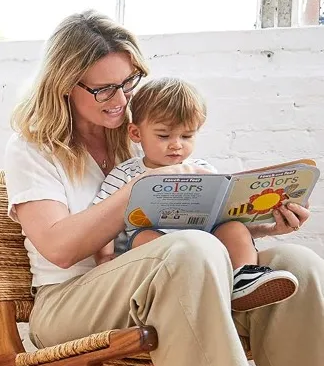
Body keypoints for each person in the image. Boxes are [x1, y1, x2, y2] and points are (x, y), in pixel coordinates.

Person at [3, 10, 324, 366]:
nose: (119, 98)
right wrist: (141, 194)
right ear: (63, 84)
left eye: (128, 83)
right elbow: (57, 247)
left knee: (300, 265)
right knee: (192, 252)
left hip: (173, 283)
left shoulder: (146, 134)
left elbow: (199, 222)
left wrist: (265, 220)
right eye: (102, 87)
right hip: (71, 304)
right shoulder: (34, 149)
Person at [91, 75, 299, 312]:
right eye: (164, 135)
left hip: (205, 248)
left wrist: (266, 223)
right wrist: (104, 258)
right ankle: (186, 285)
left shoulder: (203, 170)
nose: (177, 144)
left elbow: (224, 215)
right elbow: (101, 217)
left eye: (187, 136)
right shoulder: (126, 173)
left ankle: (243, 280)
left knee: (234, 227)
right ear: (136, 133)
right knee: (143, 237)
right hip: (155, 253)